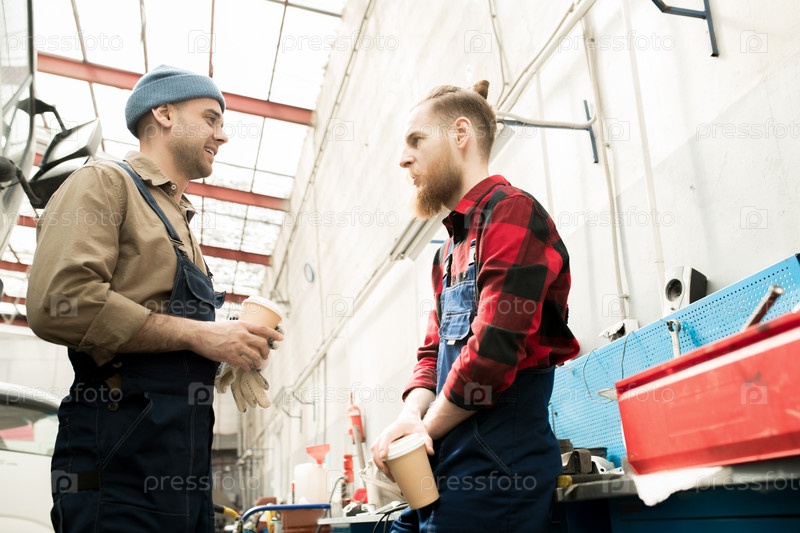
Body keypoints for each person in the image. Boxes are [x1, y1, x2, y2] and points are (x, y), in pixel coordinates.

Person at [26, 65, 281, 533]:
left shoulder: (179, 220)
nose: (222, 135)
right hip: (115, 464)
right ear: (163, 114)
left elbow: (170, 336)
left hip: (183, 468)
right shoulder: (104, 183)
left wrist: (226, 352)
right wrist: (200, 335)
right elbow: (60, 302)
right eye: (210, 119)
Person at [370, 81, 580, 532]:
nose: (403, 159)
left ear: (461, 133)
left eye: (416, 140)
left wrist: (425, 430)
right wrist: (409, 417)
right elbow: (432, 355)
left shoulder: (513, 213)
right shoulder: (447, 252)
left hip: (499, 470)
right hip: (449, 462)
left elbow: (493, 351)